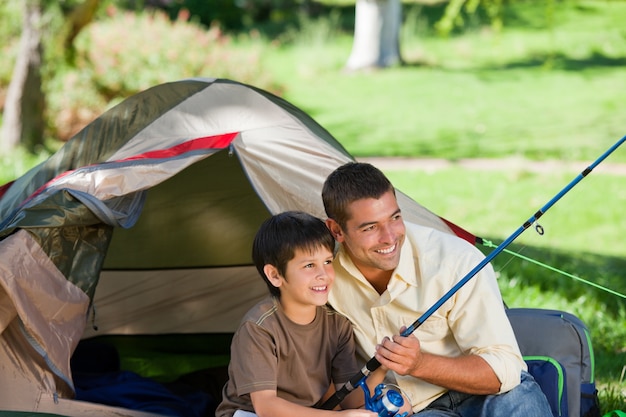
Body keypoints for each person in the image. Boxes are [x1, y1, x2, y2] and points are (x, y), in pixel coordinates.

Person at [321, 162, 553, 416]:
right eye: (370, 227)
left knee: (521, 401)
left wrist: (420, 364)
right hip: (420, 411)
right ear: (336, 231)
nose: (389, 237)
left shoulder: (456, 260)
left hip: (494, 395)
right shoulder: (324, 283)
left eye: (395, 218)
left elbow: (505, 370)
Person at [215, 211, 383, 417]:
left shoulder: (338, 326)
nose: (323, 275)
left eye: (328, 262)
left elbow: (348, 398)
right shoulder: (259, 328)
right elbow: (265, 407)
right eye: (309, 265)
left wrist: (383, 366)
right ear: (275, 275)